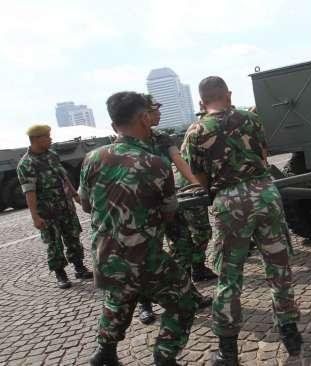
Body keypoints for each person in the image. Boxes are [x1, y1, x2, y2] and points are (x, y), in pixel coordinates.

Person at [183, 76, 302, 365]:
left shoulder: (196, 131)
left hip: (230, 201)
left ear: (201, 102)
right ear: (229, 94)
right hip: (266, 194)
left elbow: (197, 178)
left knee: (230, 276)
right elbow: (263, 156)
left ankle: (228, 351)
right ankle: (290, 333)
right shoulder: (251, 119)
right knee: (279, 267)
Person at [82, 92, 199, 365]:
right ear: (145, 119)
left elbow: (86, 204)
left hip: (105, 256)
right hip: (144, 258)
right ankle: (164, 357)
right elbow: (169, 211)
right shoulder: (155, 164)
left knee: (119, 298)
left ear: (114, 126)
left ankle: (104, 354)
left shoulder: (92, 158)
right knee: (183, 301)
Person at [136, 95, 216, 326]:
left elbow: (178, 160)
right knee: (145, 257)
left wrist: (197, 184)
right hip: (143, 211)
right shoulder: (126, 142)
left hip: (169, 204)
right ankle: (145, 303)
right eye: (153, 110)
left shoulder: (162, 138)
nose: (158, 113)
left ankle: (188, 293)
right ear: (141, 114)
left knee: (183, 248)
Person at [16, 124, 93, 289]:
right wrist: (35, 216)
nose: (51, 140)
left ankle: (79, 267)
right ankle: (60, 274)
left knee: (73, 237)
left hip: (65, 206)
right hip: (47, 212)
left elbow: (64, 178)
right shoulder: (26, 164)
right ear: (36, 139)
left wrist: (75, 195)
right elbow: (29, 193)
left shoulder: (52, 155)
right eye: (47, 137)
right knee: (54, 243)